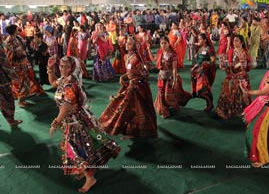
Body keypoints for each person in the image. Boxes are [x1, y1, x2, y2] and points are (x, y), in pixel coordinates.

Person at [47, 55, 120, 193]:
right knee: (78, 148)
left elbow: (65, 108)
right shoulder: (64, 80)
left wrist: (55, 123)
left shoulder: (71, 84)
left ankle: (90, 178)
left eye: (66, 67)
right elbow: (53, 83)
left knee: (79, 149)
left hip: (77, 122)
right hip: (71, 121)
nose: (63, 69)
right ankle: (84, 171)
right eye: (61, 66)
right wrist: (50, 69)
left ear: (72, 67)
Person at [99, 36, 157, 139]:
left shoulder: (137, 59)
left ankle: (138, 132)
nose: (126, 45)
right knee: (128, 109)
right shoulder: (126, 56)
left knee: (138, 110)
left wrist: (133, 81)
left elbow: (144, 74)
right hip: (130, 85)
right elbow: (129, 71)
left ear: (135, 46)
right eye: (126, 43)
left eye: (129, 43)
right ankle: (130, 131)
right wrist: (123, 76)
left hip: (138, 87)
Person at [4, 24, 44, 107]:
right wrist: (20, 56)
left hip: (23, 64)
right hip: (17, 66)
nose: (19, 30)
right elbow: (10, 55)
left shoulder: (17, 38)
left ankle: (22, 99)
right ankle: (20, 101)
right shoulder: (9, 41)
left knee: (26, 82)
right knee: (23, 83)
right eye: (17, 29)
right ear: (14, 30)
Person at [152, 36, 192, 119]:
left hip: (170, 78)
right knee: (161, 95)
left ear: (168, 43)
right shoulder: (160, 52)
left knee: (168, 96)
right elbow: (154, 60)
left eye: (165, 43)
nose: (163, 45)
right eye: (161, 43)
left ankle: (175, 106)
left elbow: (174, 69)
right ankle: (165, 112)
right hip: (161, 77)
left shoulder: (172, 54)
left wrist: (175, 80)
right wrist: (148, 50)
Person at [216, 35, 252, 119]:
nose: (234, 42)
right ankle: (226, 110)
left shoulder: (244, 53)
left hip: (240, 76)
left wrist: (238, 65)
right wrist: (224, 65)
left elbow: (245, 67)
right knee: (227, 92)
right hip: (231, 75)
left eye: (236, 41)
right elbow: (229, 63)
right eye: (233, 41)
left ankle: (239, 110)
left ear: (241, 42)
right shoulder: (231, 51)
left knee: (239, 93)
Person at [0, 36, 23, 127]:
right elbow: (5, 63)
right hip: (2, 81)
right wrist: (14, 77)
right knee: (7, 100)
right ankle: (11, 120)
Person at [191, 33, 216, 112]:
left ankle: (209, 103)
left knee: (204, 89)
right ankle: (209, 103)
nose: (199, 41)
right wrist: (195, 67)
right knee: (201, 90)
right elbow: (198, 60)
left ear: (205, 40)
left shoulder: (209, 49)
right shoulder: (200, 49)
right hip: (199, 71)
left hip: (206, 72)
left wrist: (205, 65)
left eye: (200, 39)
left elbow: (213, 60)